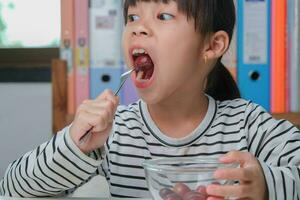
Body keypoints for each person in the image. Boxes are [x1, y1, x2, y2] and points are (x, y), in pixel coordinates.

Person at [1, 0, 299, 199]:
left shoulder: (247, 124)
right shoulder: (115, 133)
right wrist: (74, 145)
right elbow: (13, 189)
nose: (137, 27)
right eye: (132, 17)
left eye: (163, 16)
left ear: (212, 45)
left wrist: (265, 185)